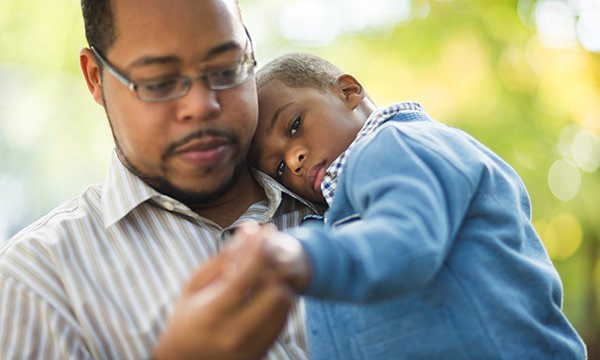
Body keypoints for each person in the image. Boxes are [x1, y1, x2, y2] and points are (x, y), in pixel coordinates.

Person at [0, 1, 323, 359]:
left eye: (226, 68)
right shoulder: (37, 280)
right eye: (159, 82)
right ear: (96, 78)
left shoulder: (346, 184)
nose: (201, 105)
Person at [245, 52, 588, 359]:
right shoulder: (343, 202)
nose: (293, 160)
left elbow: (406, 242)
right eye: (277, 168)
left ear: (348, 91)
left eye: (294, 126)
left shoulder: (397, 145)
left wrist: (306, 254)